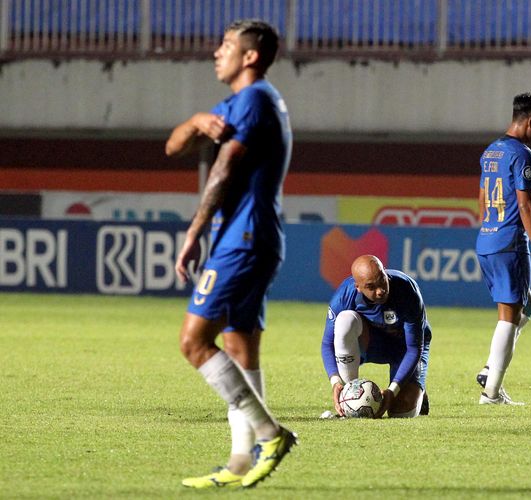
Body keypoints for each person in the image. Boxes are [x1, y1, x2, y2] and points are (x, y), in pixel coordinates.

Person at [165, 19, 295, 489]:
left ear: (250, 56)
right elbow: (173, 145)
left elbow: (224, 167)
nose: (215, 52)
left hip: (242, 239)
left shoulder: (256, 98)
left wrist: (194, 231)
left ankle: (270, 434)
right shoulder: (240, 102)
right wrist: (198, 121)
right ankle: (240, 462)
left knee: (193, 342)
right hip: (252, 238)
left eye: (225, 46)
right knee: (239, 348)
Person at [475, 92, 531, 406]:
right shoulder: (522, 154)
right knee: (508, 318)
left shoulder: (491, 151)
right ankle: (491, 392)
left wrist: (489, 228)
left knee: (525, 306)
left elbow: (482, 199)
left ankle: (490, 367)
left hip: (487, 239)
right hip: (509, 243)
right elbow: (526, 205)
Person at [321, 255, 431, 418]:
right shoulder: (346, 294)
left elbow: (414, 348)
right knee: (345, 320)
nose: (380, 290)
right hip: (371, 343)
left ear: (385, 272)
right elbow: (327, 344)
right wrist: (335, 381)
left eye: (382, 280)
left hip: (405, 347)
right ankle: (349, 397)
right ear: (358, 287)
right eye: (371, 287)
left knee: (401, 412)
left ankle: (415, 387)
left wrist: (392, 391)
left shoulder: (406, 290)